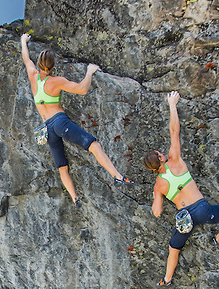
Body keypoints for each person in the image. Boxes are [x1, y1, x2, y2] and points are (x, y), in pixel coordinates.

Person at [143, 91, 219, 285]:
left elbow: (157, 212)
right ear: (160, 158)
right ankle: (218, 237)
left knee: (173, 249)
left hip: (185, 220)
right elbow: (174, 131)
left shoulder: (158, 185)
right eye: (160, 154)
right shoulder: (174, 160)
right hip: (203, 211)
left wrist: (156, 194)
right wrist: (172, 105)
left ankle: (167, 279)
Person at [20, 33, 134, 206]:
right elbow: (82, 89)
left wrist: (23, 41)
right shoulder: (56, 81)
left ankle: (75, 198)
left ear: (39, 64)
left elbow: (26, 58)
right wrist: (89, 72)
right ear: (53, 65)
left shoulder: (32, 76)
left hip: (47, 129)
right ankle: (117, 176)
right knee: (94, 145)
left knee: (62, 167)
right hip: (59, 122)